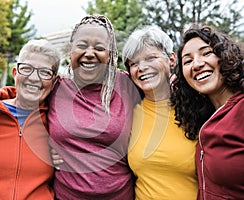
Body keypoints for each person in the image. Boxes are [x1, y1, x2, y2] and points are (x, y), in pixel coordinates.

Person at [48, 15, 141, 199]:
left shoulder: (127, 85)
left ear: (110, 53)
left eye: (99, 48)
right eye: (82, 46)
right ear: (70, 50)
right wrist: (43, 148)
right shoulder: (55, 88)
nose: (89, 53)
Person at [0, 39, 60, 199]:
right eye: (26, 69)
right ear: (15, 73)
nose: (34, 78)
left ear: (54, 81)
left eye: (44, 72)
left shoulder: (57, 125)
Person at [122, 26, 198, 199]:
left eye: (150, 58)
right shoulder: (130, 112)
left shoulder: (198, 105)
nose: (141, 67)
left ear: (171, 60)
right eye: (134, 63)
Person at [172, 24, 244, 199]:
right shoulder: (204, 118)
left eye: (206, 53)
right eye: (187, 61)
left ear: (225, 57)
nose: (196, 64)